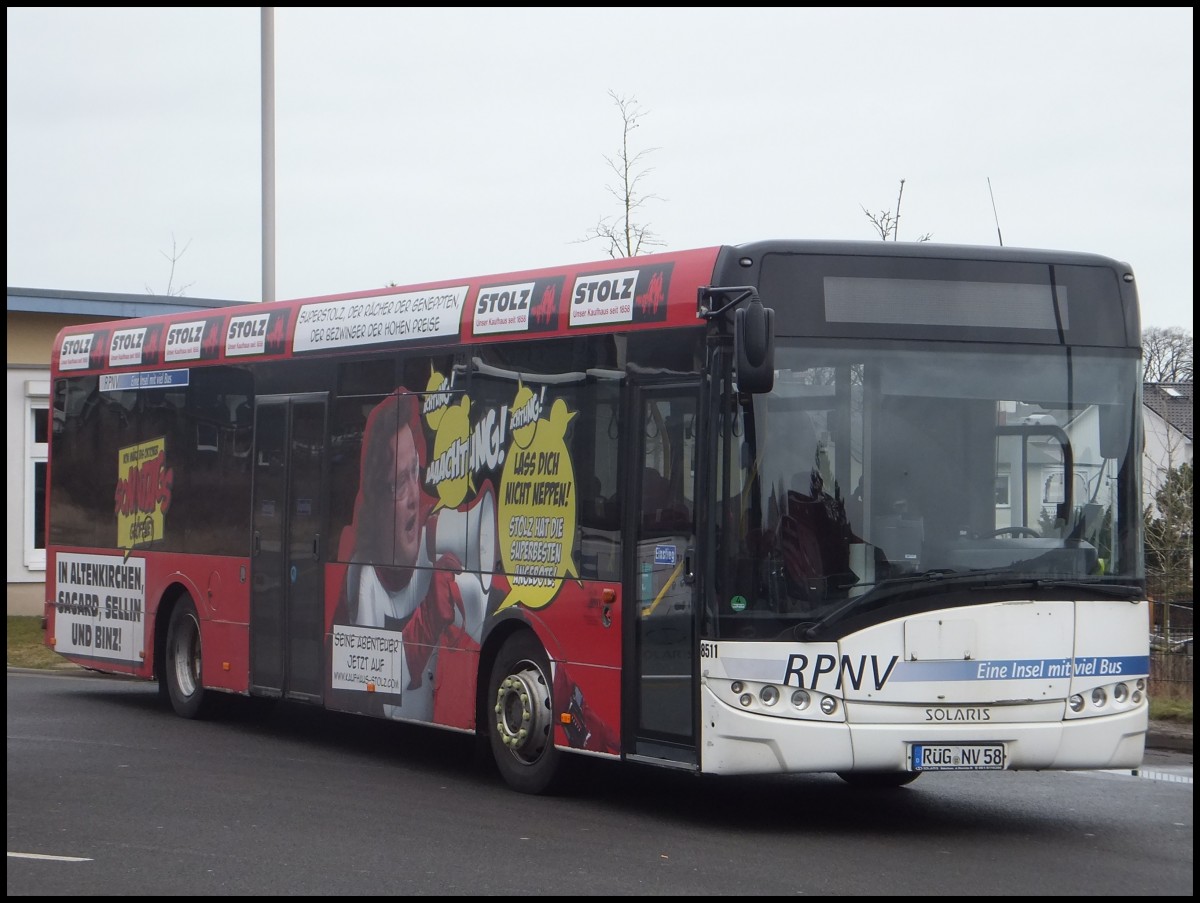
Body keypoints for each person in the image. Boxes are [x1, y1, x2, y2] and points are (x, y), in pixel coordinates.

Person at [333, 388, 487, 724]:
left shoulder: (432, 548)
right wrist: (428, 621)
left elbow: (484, 629)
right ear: (375, 503)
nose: (414, 498)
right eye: (398, 484)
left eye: (414, 474)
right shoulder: (364, 577)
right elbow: (367, 693)